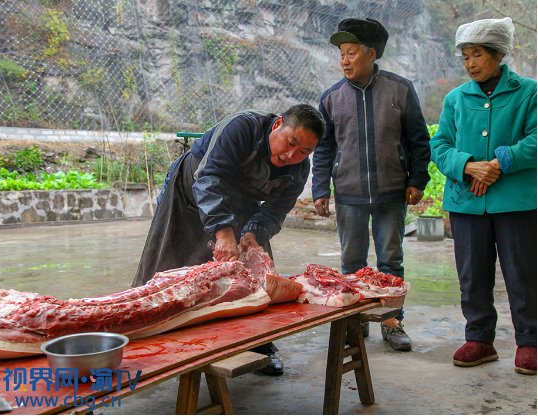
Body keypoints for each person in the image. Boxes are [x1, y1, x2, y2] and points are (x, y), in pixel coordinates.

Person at [133, 104, 326, 375]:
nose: (291, 155)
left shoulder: (298, 170)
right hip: (191, 188)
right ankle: (143, 338)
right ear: (277, 124)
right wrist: (224, 232)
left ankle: (260, 345)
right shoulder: (242, 127)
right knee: (166, 264)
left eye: (304, 152)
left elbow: (275, 210)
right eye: (291, 142)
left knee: (257, 271)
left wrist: (251, 234)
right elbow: (210, 177)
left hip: (240, 200)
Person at [312, 18, 431, 351]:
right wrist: (320, 188)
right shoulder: (331, 98)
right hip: (348, 195)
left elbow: (420, 141)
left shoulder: (400, 89)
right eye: (342, 54)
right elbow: (324, 148)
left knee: (390, 260)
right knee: (352, 263)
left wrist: (418, 179)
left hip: (391, 192)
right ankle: (356, 320)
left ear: (371, 54)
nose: (345, 60)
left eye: (351, 53)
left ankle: (392, 322)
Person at [430, 17, 536, 375]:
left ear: (499, 54)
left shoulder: (529, 93)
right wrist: (469, 166)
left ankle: (530, 341)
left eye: (477, 55)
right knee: (472, 273)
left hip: (516, 201)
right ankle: (480, 338)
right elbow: (440, 146)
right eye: (465, 57)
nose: (471, 63)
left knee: (521, 272)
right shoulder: (456, 99)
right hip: (466, 201)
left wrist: (500, 162)